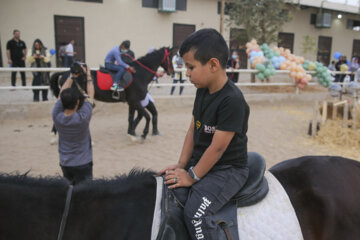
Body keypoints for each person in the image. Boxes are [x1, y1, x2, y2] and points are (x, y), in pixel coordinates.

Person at [158, 28, 250, 240]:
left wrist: (192, 176)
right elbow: (193, 129)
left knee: (195, 214)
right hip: (203, 161)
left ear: (213, 65)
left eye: (191, 67)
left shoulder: (232, 100)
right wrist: (181, 164)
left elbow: (217, 148)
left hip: (228, 169)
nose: (187, 73)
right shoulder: (202, 90)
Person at [52, 63, 95, 184]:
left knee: (70, 191)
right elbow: (90, 94)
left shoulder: (56, 115)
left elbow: (61, 94)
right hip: (83, 163)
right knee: (86, 192)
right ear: (77, 102)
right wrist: (88, 74)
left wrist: (72, 76)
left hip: (65, 163)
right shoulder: (83, 118)